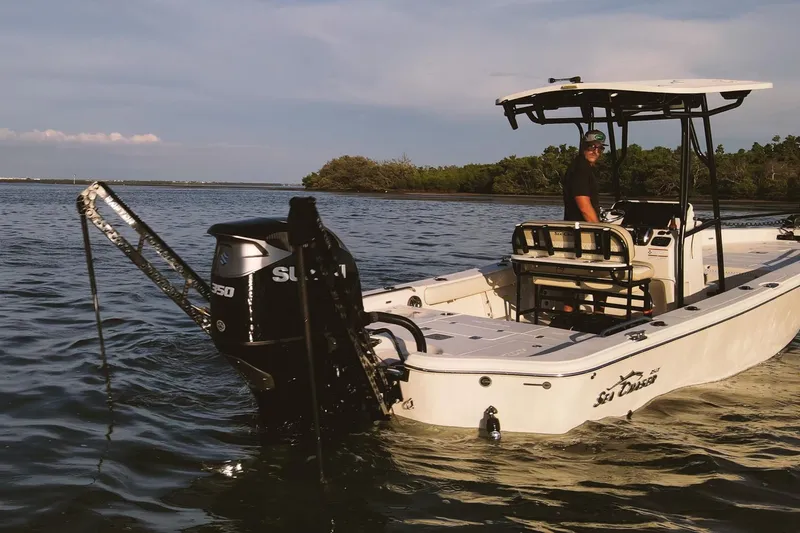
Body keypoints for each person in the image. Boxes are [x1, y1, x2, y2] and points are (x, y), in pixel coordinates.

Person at [560, 130, 607, 313]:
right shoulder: (580, 169)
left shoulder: (580, 167)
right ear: (582, 147)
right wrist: (600, 229)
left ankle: (569, 312)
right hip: (582, 234)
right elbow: (583, 205)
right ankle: (599, 313)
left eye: (599, 148)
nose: (595, 151)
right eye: (591, 147)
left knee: (576, 273)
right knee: (605, 266)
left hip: (575, 235)